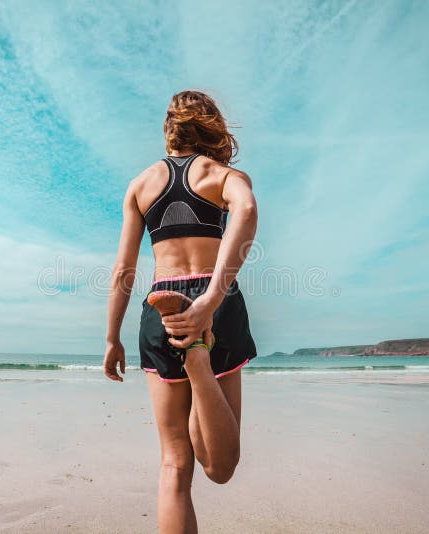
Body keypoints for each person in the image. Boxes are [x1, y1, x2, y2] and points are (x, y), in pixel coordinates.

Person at [103, 89, 258, 533]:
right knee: (220, 468)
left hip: (161, 304)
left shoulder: (141, 184)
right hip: (215, 300)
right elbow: (246, 209)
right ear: (209, 127)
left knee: (174, 465)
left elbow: (123, 270)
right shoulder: (222, 174)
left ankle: (191, 354)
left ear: (168, 130)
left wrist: (112, 337)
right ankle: (199, 359)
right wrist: (211, 298)